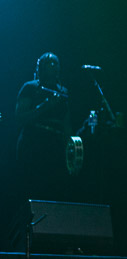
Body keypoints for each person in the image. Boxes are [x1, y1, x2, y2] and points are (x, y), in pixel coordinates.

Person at [14, 52, 72, 201]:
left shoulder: (63, 91)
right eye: (48, 63)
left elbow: (66, 124)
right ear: (41, 67)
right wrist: (44, 107)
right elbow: (20, 117)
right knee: (32, 190)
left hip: (54, 146)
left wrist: (69, 151)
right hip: (33, 143)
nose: (52, 65)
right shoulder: (30, 87)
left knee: (52, 191)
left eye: (55, 63)